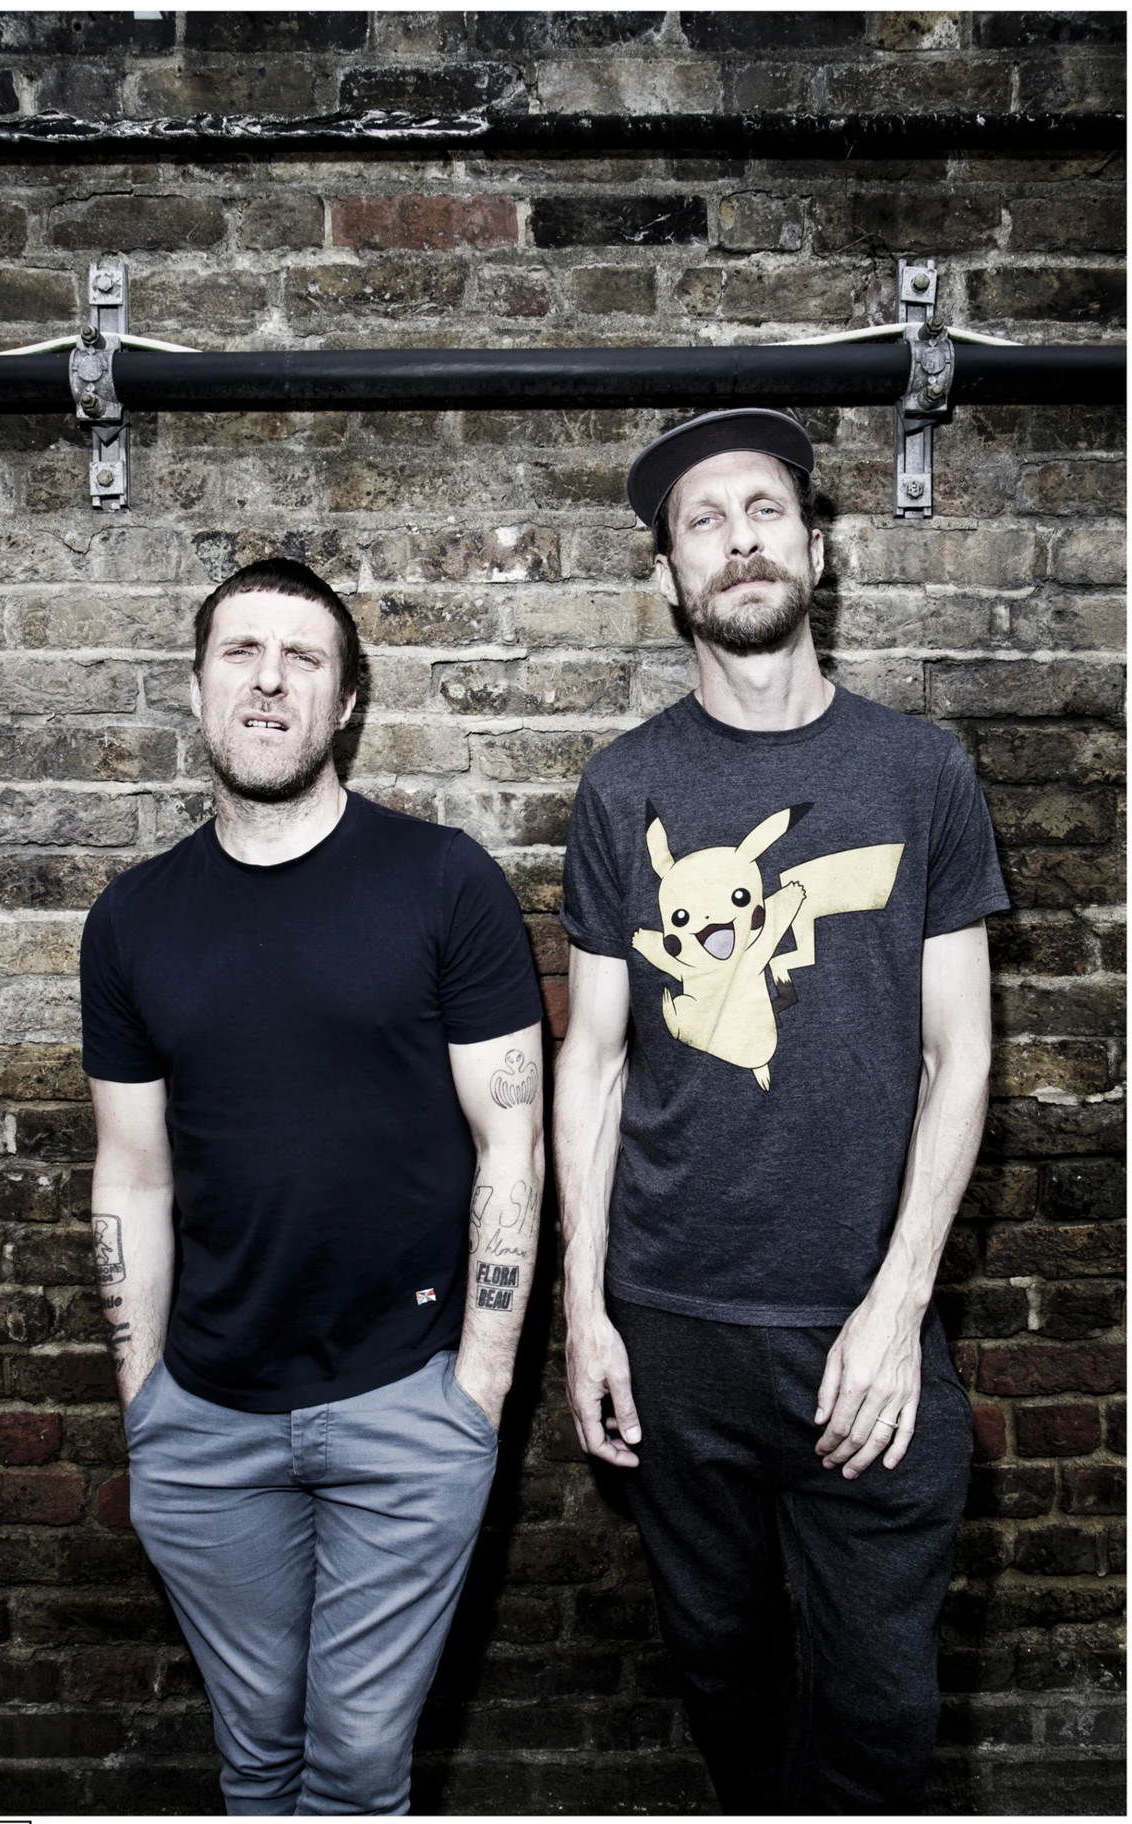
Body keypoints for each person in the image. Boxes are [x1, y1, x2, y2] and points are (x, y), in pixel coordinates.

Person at [554, 410, 1009, 1815]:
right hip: (673, 1328)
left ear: (817, 550)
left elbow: (959, 1055)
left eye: (765, 510)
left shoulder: (920, 772)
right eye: (703, 521)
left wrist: (898, 1308)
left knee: (881, 1717)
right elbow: (595, 1062)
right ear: (668, 577)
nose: (739, 539)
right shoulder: (623, 787)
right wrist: (584, 1310)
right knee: (725, 1678)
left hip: (858, 1322)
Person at [81, 558, 544, 1816]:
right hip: (204, 1421)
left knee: (355, 1770)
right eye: (242, 653)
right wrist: (146, 1402)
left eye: (304, 659)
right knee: (257, 1761)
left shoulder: (444, 883)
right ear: (195, 689)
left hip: (408, 1408)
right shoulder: (130, 921)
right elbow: (131, 1169)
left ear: (345, 702)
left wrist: (478, 1391)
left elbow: (512, 1145)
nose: (270, 682)